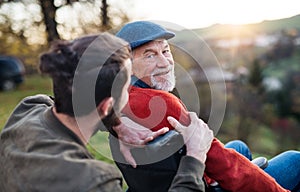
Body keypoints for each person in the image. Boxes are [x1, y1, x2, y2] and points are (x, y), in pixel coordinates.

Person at [0, 32, 215, 191]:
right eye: (126, 88)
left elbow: (58, 104)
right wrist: (194, 158)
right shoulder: (94, 182)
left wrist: (117, 125)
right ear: (107, 105)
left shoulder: (29, 108)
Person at [111, 21, 300, 192]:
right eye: (150, 55)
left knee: (238, 146)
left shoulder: (111, 102)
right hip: (194, 186)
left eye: (166, 51)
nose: (165, 62)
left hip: (163, 182)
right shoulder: (162, 105)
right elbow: (225, 165)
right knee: (295, 160)